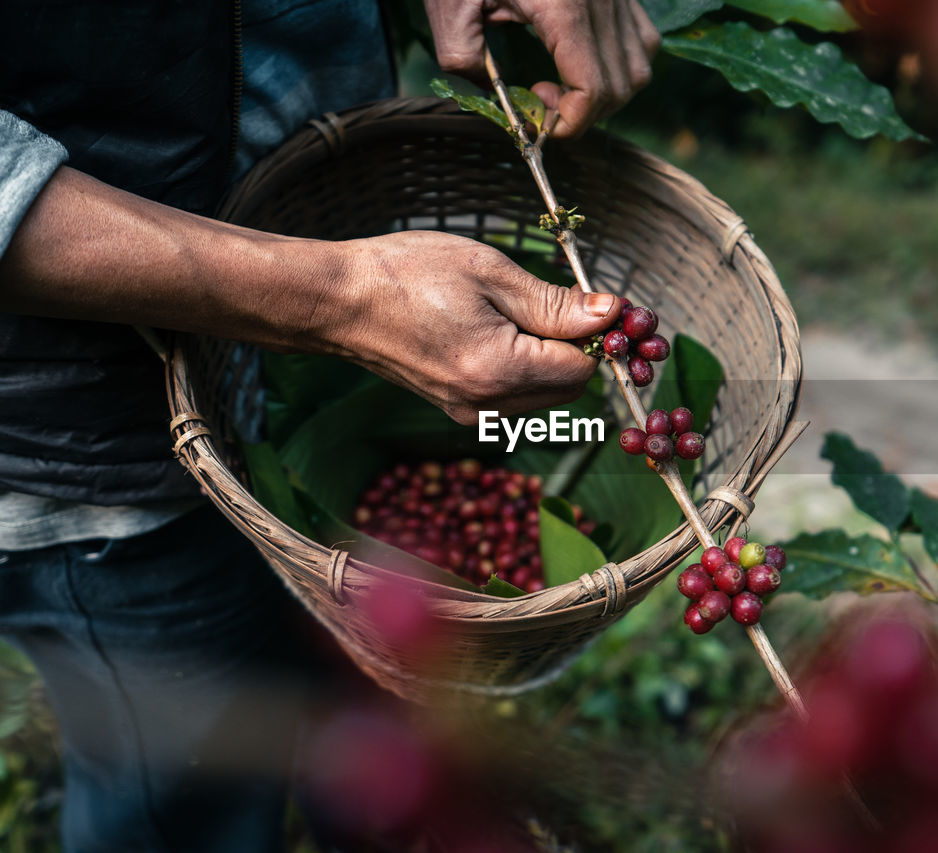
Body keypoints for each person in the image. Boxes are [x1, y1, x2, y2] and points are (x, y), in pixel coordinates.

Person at [0, 1, 659, 850]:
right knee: (183, 803)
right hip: (89, 454)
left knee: (361, 741)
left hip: (311, 362)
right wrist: (339, 297)